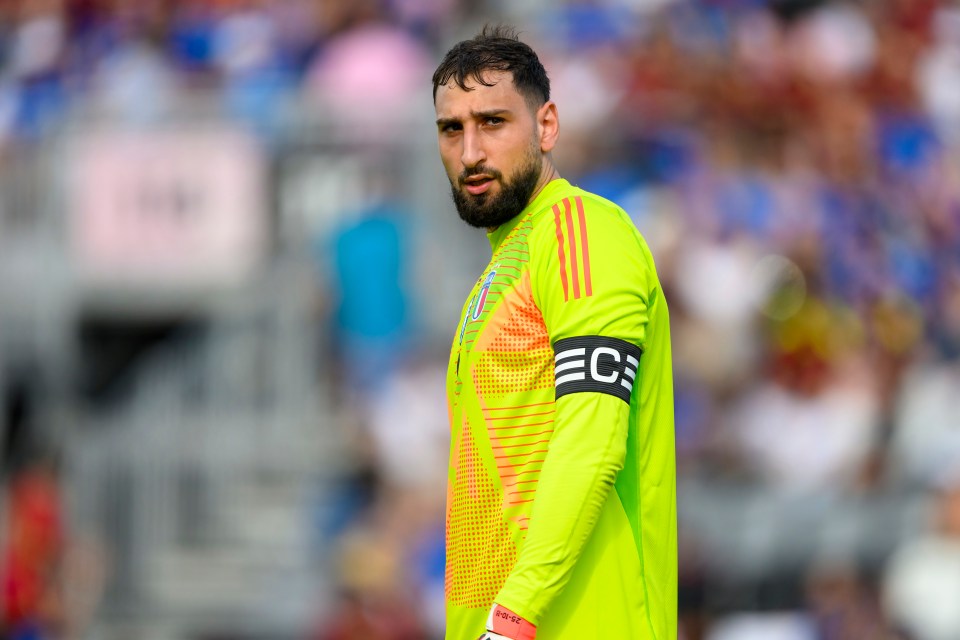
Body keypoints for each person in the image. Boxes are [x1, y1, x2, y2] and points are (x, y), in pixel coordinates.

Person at [432, 25, 677, 640]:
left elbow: (593, 439)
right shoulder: (501, 270)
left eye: (493, 122)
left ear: (546, 126)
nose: (470, 152)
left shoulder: (582, 229)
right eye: (451, 129)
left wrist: (513, 618)